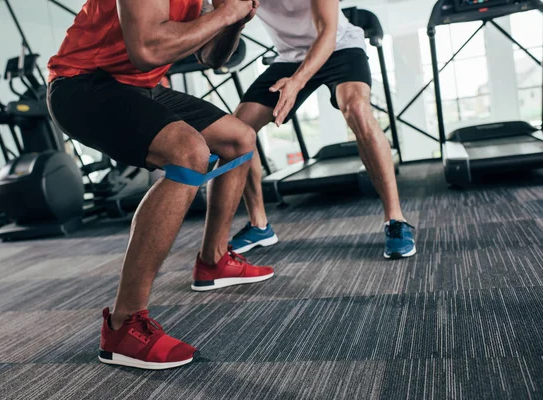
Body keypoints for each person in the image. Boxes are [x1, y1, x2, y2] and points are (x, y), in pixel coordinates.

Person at [47, 0, 273, 371]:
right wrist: (228, 12)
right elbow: (147, 49)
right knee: (188, 153)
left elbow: (211, 58)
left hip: (140, 87)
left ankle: (213, 261)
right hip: (81, 85)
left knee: (239, 139)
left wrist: (236, 20)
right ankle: (124, 324)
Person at [228, 0, 416, 259]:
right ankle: (259, 225)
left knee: (357, 110)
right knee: (235, 132)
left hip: (340, 46)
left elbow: (327, 34)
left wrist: (296, 83)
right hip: (289, 58)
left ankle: (395, 220)